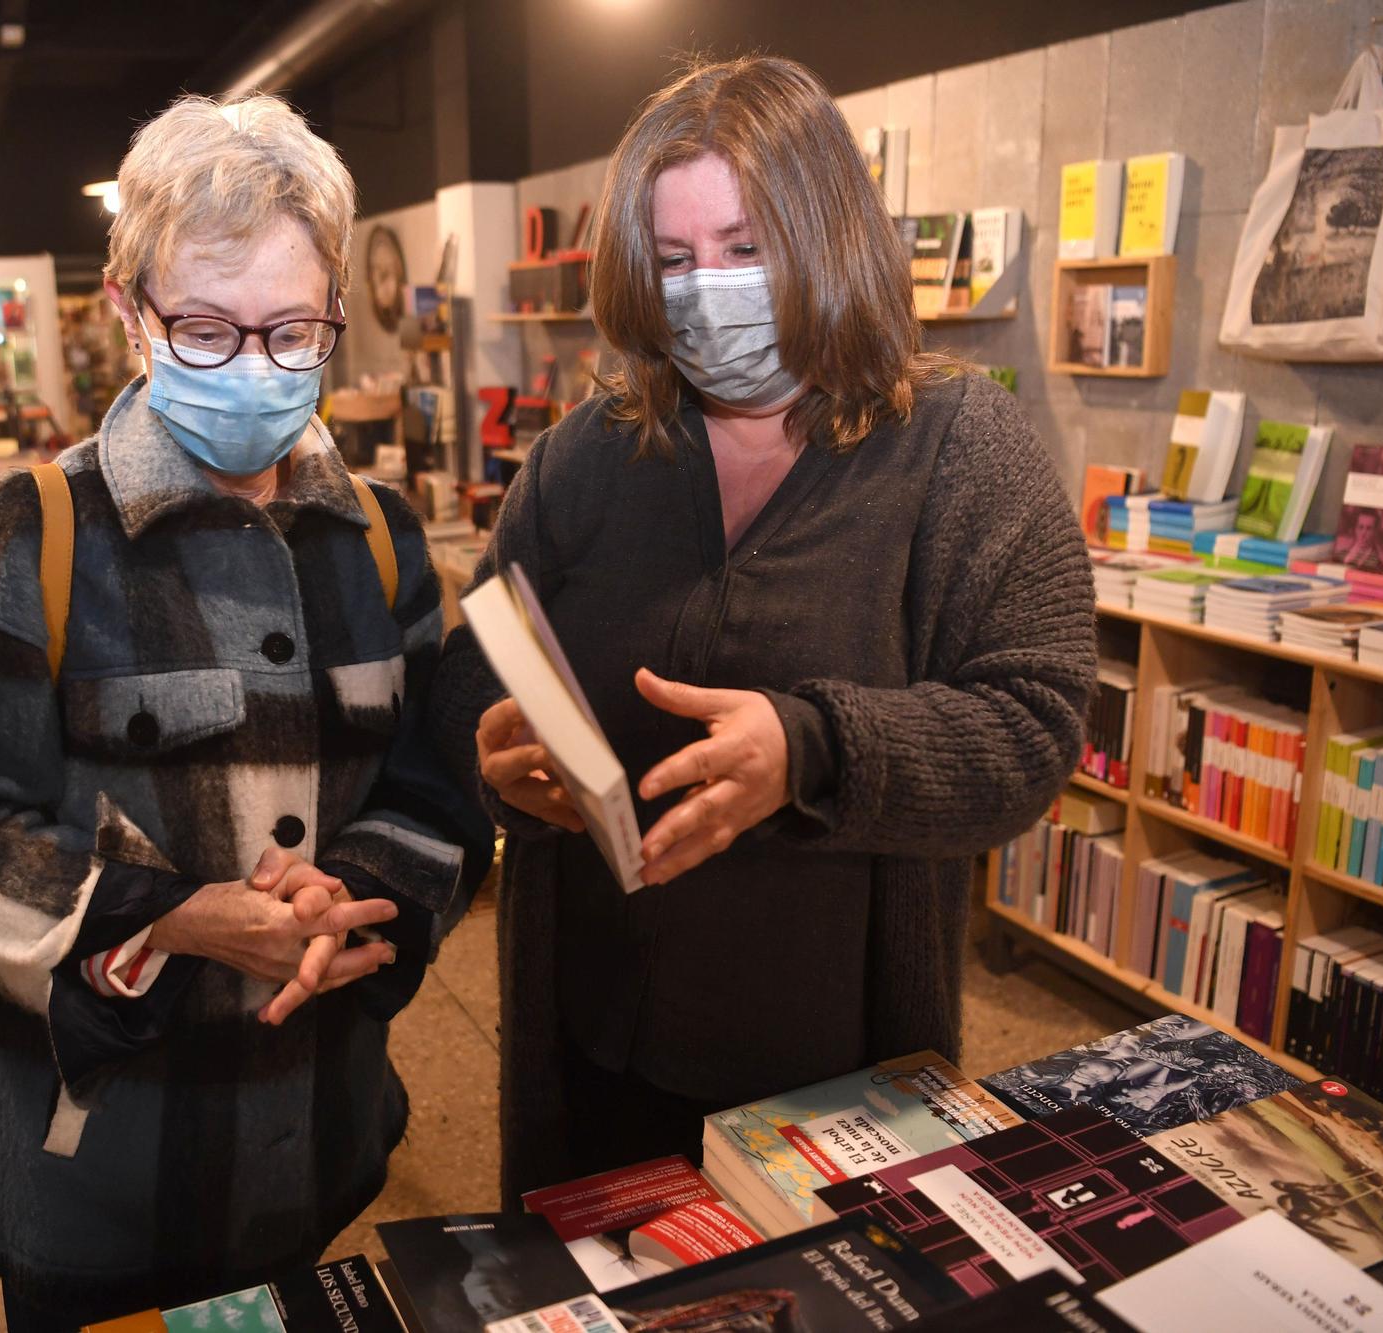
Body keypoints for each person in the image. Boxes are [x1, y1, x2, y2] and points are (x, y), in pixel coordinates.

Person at [0, 92, 491, 1331]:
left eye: (291, 329)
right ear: (127, 312)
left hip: (312, 1134)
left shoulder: (378, 537)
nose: (253, 367)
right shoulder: (39, 535)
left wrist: (354, 893)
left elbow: (436, 784)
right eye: (204, 329)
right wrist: (172, 922)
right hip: (95, 1172)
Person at [431, 56, 1096, 1203]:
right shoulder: (584, 457)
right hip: (592, 1045)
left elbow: (1031, 729)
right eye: (674, 259)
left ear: (827, 236)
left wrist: (810, 749)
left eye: (745, 248)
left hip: (827, 1076)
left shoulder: (958, 449)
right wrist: (495, 758)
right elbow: (477, 668)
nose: (706, 292)